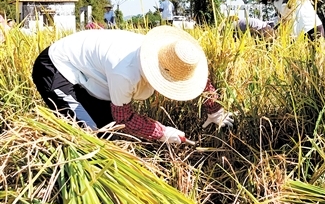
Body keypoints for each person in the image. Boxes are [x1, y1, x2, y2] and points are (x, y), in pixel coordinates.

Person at [32, 25, 234, 144]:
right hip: (57, 67)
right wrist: (162, 133)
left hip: (93, 71)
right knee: (89, 137)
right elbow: (125, 118)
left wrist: (215, 110)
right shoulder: (125, 73)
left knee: (108, 133)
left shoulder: (169, 52)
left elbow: (201, 82)